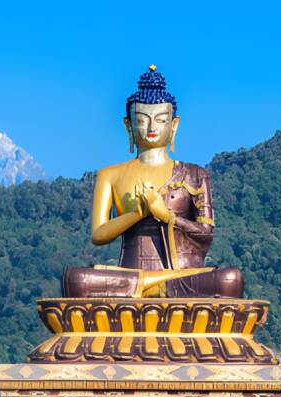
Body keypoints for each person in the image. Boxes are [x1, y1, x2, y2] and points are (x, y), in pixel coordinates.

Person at [62, 65, 244, 298]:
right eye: (142, 120)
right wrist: (137, 213)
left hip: (183, 273)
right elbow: (98, 235)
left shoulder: (196, 174)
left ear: (173, 125)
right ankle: (153, 285)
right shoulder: (110, 175)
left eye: (160, 120)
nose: (151, 128)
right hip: (132, 271)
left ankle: (147, 285)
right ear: (128, 125)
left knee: (230, 279)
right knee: (76, 280)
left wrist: (167, 215)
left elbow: (206, 234)